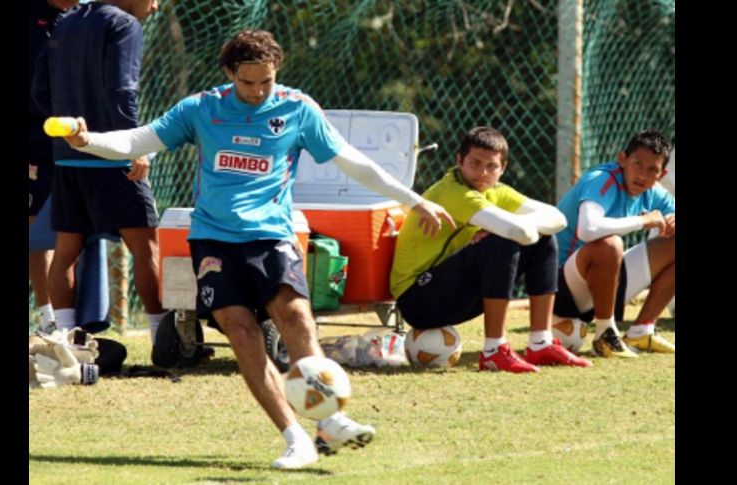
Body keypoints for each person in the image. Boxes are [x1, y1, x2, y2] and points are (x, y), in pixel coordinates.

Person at [56, 29, 454, 469]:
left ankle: (330, 422)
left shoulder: (298, 109)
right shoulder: (202, 108)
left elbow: (352, 161)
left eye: (267, 81)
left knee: (297, 317)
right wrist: (86, 140)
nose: (259, 91)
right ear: (229, 73)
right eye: (249, 83)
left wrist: (414, 200)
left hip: (273, 236)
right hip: (214, 241)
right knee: (243, 334)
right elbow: (137, 141)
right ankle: (294, 437)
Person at [390, 126, 592, 374]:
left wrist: (506, 227)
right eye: (474, 163)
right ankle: (494, 351)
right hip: (418, 298)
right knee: (503, 242)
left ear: (503, 168)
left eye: (492, 166)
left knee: (543, 239)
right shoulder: (455, 192)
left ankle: (541, 343)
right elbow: (520, 233)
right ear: (459, 161)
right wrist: (504, 229)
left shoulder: (496, 191)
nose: (482, 173)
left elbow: (557, 218)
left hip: (449, 291)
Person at [31, 1, 166, 341]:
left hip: (66, 156)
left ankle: (65, 340)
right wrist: (133, 144)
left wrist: (69, 132)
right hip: (110, 154)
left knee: (65, 253)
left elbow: (39, 90)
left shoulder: (65, 22)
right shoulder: (124, 25)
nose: (156, 5)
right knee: (146, 247)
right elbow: (122, 90)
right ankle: (161, 339)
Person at [552, 130, 675, 357]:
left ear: (662, 174)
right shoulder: (602, 179)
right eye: (637, 164)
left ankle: (642, 330)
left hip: (602, 284)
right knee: (610, 244)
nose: (642, 175)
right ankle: (605, 334)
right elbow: (588, 229)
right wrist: (643, 221)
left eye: (652, 170)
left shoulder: (654, 191)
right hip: (560, 286)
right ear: (622, 159)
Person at [29, 0, 80, 332]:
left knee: (70, 226)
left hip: (75, 137)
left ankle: (66, 320)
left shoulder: (84, 18)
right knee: (35, 227)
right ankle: (48, 316)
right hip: (33, 138)